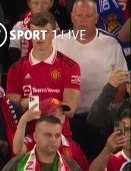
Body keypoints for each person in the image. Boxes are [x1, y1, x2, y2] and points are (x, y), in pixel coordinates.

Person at [53, 0, 126, 162]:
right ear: (72, 17)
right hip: (69, 120)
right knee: (72, 165)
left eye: (88, 16)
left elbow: (122, 85)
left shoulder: (111, 44)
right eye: (79, 15)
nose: (83, 20)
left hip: (102, 121)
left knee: (101, 165)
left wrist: (109, 113)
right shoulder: (57, 42)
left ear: (96, 18)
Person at [6, 13, 81, 119]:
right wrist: (53, 105)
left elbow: (69, 110)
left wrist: (33, 102)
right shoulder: (16, 69)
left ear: (54, 34)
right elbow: (12, 110)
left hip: (59, 132)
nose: (40, 37)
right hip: (28, 131)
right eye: (35, 33)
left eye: (45, 33)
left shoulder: (70, 67)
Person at [12, 98, 90, 171]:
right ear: (41, 117)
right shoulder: (33, 139)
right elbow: (17, 151)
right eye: (53, 114)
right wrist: (23, 120)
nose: (60, 118)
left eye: (62, 113)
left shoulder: (72, 147)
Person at [87, 107, 130, 171]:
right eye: (125, 130)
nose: (129, 135)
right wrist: (107, 148)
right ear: (119, 131)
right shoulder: (111, 159)